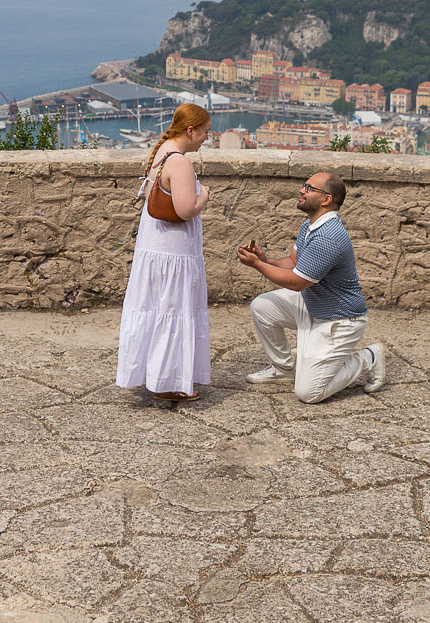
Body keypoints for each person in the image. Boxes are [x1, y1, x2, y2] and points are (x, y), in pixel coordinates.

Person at [237, 170, 385, 404]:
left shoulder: (328, 237)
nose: (301, 191)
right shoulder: (311, 225)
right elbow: (294, 263)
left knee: (309, 393)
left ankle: (369, 358)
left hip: (339, 320)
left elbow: (297, 282)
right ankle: (283, 369)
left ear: (326, 199)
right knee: (263, 306)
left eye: (309, 188)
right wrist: (266, 260)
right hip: (314, 305)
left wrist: (256, 265)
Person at [116, 103, 214, 403]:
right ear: (190, 130)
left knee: (157, 307)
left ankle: (154, 373)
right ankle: (168, 382)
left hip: (155, 245)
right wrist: (203, 197)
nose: (206, 138)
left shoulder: (162, 151)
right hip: (174, 249)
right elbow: (185, 210)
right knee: (173, 309)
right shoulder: (180, 163)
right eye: (205, 132)